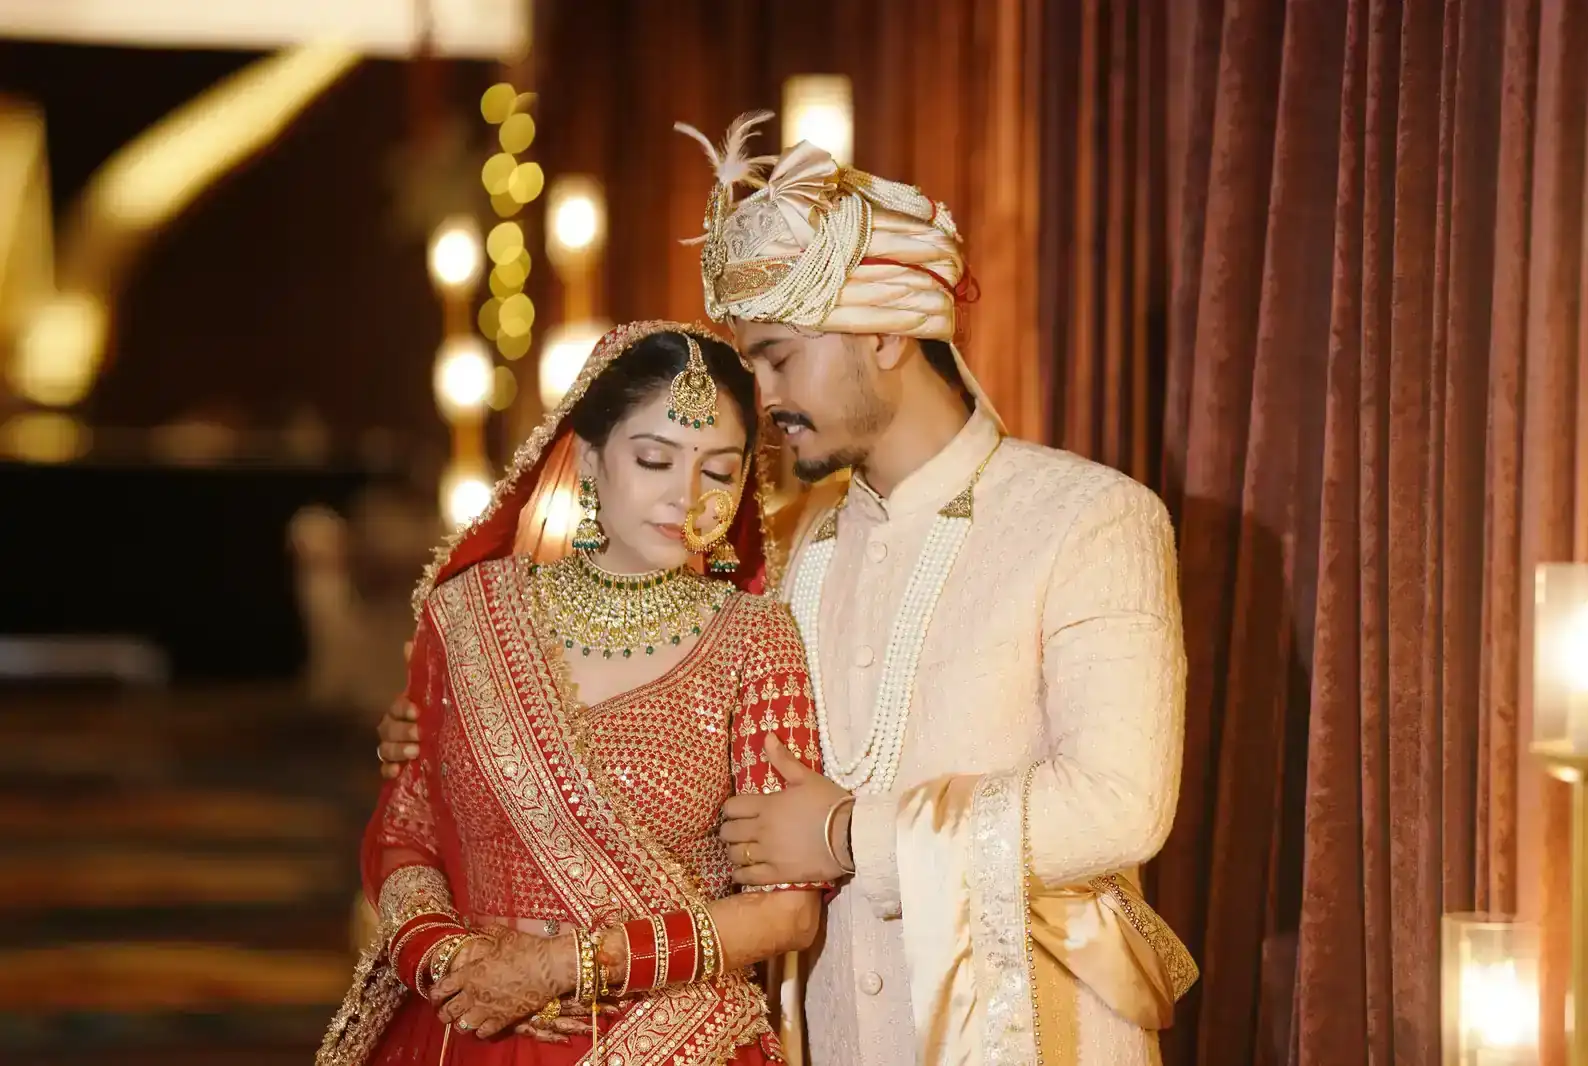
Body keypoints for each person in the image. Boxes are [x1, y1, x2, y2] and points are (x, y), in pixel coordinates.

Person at [381, 116, 1199, 1065]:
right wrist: (446, 734)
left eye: (778, 355)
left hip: (1027, 1036)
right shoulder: (789, 537)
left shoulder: (1086, 517)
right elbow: (654, 706)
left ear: (885, 334)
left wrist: (849, 835)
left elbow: (1119, 805)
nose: (762, 398)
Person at [324, 322, 827, 1066]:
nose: (686, 496)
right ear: (589, 458)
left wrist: (567, 967)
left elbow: (786, 911)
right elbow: (406, 836)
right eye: (654, 459)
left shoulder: (757, 641)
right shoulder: (468, 616)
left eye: (719, 472)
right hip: (471, 1024)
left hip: (670, 1040)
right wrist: (450, 958)